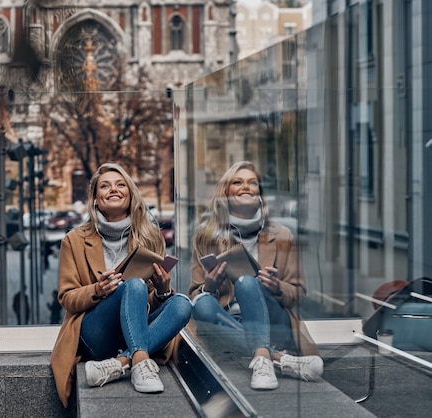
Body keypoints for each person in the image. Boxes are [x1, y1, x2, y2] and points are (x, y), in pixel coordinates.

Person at [50, 162, 192, 407]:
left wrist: (161, 291)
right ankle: (139, 363)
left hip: (134, 329)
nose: (113, 190)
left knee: (181, 303)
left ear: (130, 193)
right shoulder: (73, 240)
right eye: (105, 186)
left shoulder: (150, 236)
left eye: (120, 184)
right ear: (95, 198)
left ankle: (121, 363)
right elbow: (67, 298)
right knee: (134, 285)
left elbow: (150, 304)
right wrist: (97, 290)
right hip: (95, 332)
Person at [189, 161, 323, 391]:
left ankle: (264, 357)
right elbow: (194, 295)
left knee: (247, 283)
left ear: (260, 194)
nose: (246, 187)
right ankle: (277, 359)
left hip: (273, 321)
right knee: (202, 305)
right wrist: (208, 287)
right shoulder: (207, 236)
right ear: (226, 192)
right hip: (228, 323)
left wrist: (276, 286)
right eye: (238, 182)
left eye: (253, 183)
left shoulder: (281, 234)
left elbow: (298, 293)